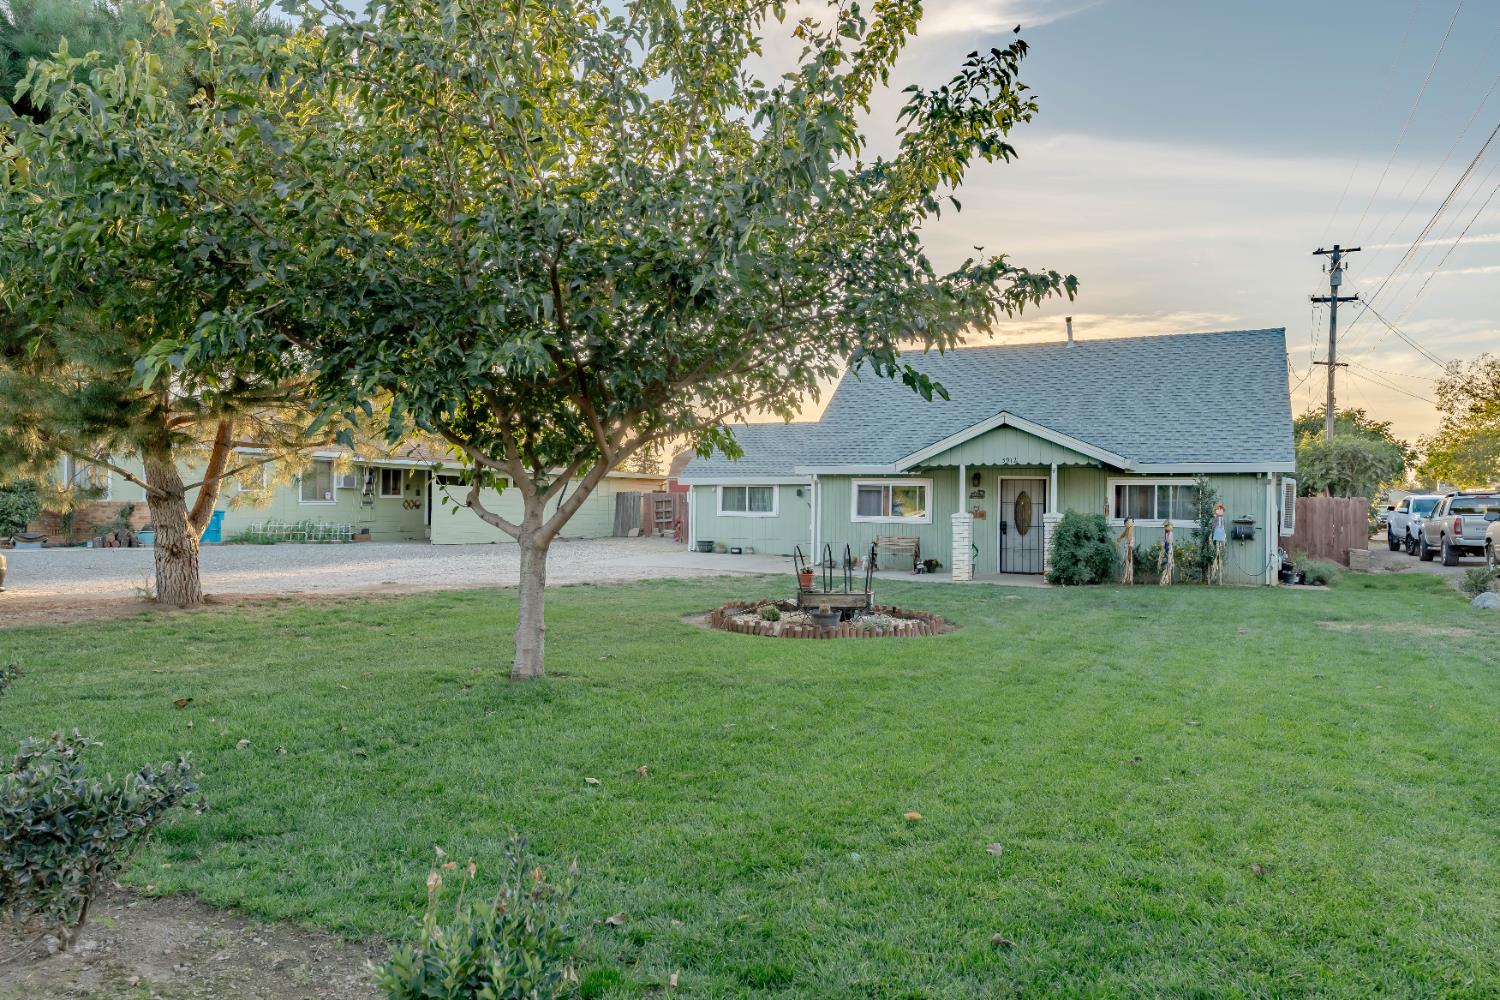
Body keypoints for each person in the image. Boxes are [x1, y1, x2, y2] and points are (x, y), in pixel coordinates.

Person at [1117, 517, 1135, 585]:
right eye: (1127, 523)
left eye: (1130, 522)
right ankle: (1126, 579)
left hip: (1129, 548)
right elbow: (1124, 534)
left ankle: (1130, 579)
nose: (1128, 524)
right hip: (1126, 548)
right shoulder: (1127, 529)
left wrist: (1129, 553)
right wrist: (1120, 538)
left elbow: (1131, 543)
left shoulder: (1131, 531)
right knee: (1126, 562)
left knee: (1129, 563)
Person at [1159, 520, 1174, 586]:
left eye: (1167, 526)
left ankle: (1166, 579)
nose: (1165, 528)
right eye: (1165, 526)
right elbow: (1162, 541)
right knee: (1166, 563)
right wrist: (1162, 546)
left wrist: (1169, 549)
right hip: (1165, 548)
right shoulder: (1164, 534)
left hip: (1169, 549)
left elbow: (1170, 542)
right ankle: (1165, 579)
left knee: (1169, 563)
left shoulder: (1170, 534)